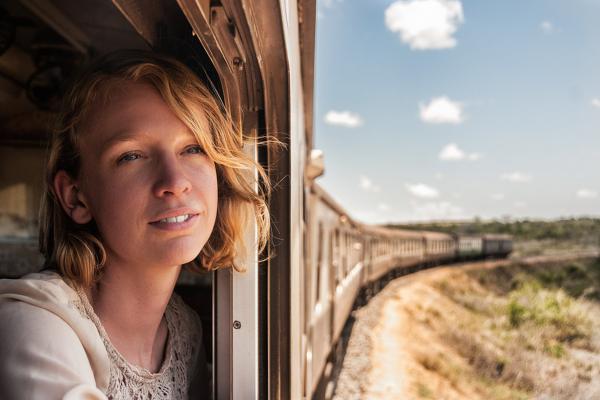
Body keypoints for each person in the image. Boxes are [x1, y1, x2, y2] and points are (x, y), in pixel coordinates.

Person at [0, 50, 270, 399]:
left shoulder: (184, 331)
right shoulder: (33, 324)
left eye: (193, 149)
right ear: (76, 197)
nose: (174, 181)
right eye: (131, 156)